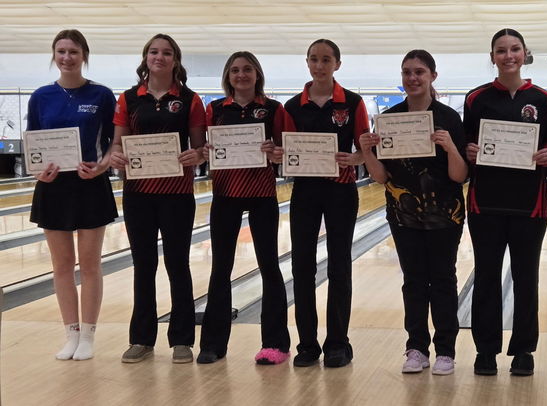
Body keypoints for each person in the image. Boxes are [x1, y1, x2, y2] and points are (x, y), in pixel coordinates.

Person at [360, 50, 467, 375]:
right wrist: (367, 151)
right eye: (407, 72)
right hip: (403, 214)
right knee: (414, 280)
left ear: (432, 76)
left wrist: (449, 147)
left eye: (419, 72)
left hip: (446, 214)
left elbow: (460, 175)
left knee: (444, 279)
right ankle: (416, 348)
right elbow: (381, 177)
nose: (412, 78)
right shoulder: (390, 119)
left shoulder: (449, 118)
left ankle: (446, 350)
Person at [109, 33, 206, 364]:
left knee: (178, 264)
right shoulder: (127, 99)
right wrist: (116, 157)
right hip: (138, 195)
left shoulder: (190, 100)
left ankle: (181, 340)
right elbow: (117, 145)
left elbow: (201, 148)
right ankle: (141, 339)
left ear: (175, 60)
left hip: (178, 195)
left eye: (166, 53)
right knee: (144, 265)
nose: (159, 57)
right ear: (146, 57)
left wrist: (198, 156)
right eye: (154, 51)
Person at [464, 28, 547, 376]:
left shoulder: (545, 100)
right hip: (484, 202)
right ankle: (485, 350)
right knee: (486, 277)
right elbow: (464, 146)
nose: (508, 56)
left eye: (514, 49)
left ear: (524, 53)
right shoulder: (476, 99)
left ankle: (523, 350)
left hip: (529, 204)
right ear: (492, 57)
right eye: (501, 50)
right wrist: (469, 150)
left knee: (526, 277)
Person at [274, 39, 369, 368]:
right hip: (305, 193)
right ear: (307, 63)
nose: (319, 65)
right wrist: (278, 156)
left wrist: (355, 157)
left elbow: (364, 151)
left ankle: (338, 343)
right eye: (314, 59)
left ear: (337, 64)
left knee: (339, 266)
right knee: (302, 267)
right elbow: (284, 152)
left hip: (342, 190)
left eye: (326, 59)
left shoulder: (353, 103)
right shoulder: (291, 106)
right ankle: (307, 344)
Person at [27, 29, 117, 361]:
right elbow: (34, 144)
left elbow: (113, 143)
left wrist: (102, 167)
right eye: (61, 51)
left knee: (90, 264)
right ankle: (71, 334)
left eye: (73, 52)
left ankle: (89, 335)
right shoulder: (40, 97)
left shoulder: (102, 95)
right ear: (55, 55)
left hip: (90, 184)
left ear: (84, 56)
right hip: (53, 187)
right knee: (62, 265)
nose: (67, 57)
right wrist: (39, 171)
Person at [196, 51, 290, 365]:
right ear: (228, 76)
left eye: (247, 69)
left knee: (269, 267)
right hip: (226, 194)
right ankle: (212, 344)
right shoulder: (216, 109)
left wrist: (275, 152)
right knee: (220, 268)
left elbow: (284, 151)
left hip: (262, 194)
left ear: (257, 74)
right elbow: (206, 152)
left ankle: (275, 344)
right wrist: (207, 151)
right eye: (235, 70)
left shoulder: (273, 109)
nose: (241, 75)